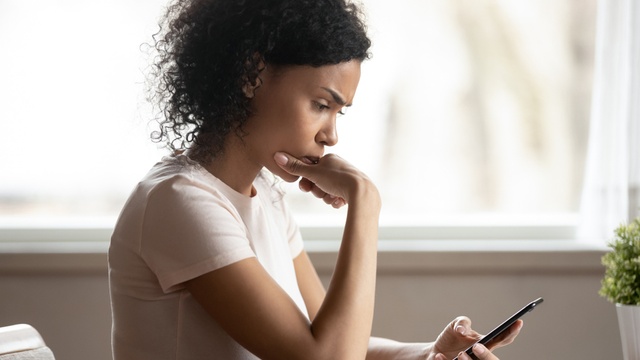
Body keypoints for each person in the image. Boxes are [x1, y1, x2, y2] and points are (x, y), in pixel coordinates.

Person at [108, 0, 523, 359]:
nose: (331, 135)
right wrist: (365, 201)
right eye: (321, 104)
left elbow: (330, 341)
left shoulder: (266, 197)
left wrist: (431, 353)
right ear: (251, 74)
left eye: (338, 112)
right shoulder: (179, 202)